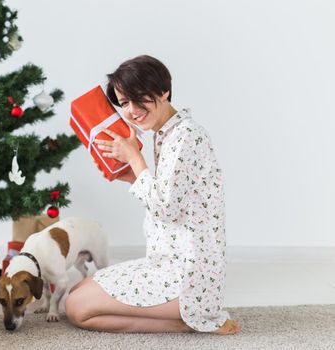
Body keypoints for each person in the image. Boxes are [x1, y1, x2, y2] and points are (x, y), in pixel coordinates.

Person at [65, 55, 241, 335]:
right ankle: (185, 320)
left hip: (188, 278)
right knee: (76, 290)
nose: (132, 111)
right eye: (124, 103)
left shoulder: (187, 136)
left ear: (163, 91)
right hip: (166, 264)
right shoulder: (167, 134)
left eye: (139, 99)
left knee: (77, 308)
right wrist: (131, 176)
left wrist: (136, 159)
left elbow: (166, 208)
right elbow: (169, 197)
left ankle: (189, 321)